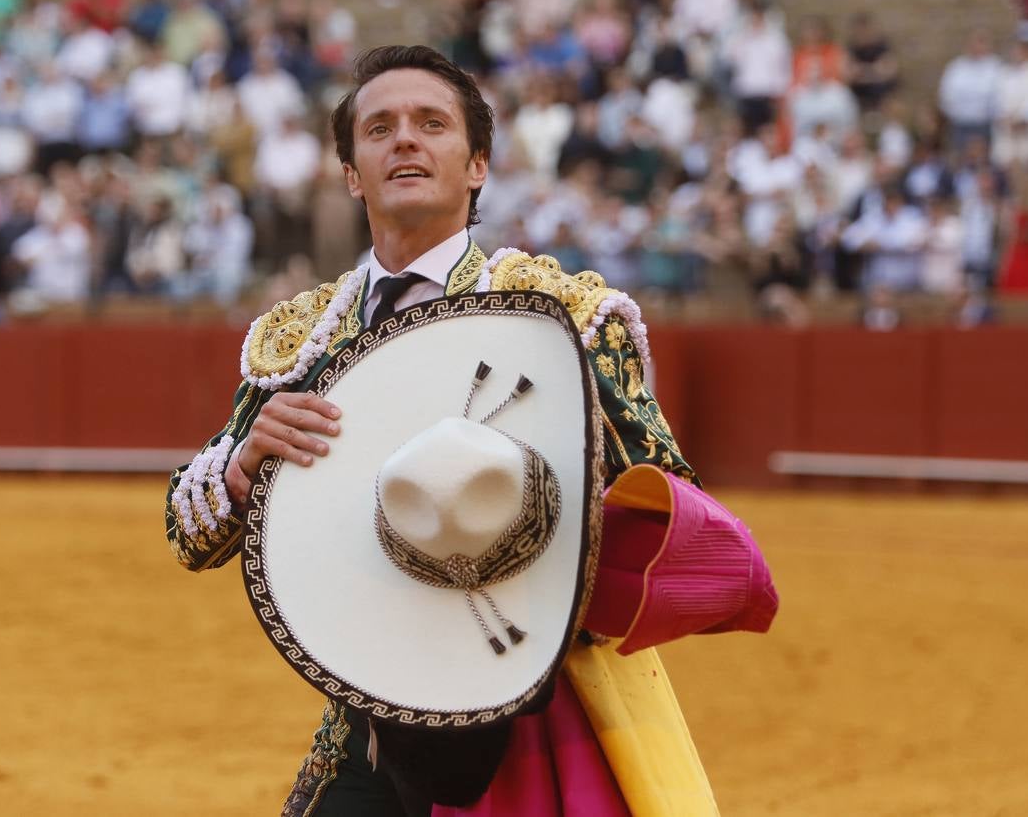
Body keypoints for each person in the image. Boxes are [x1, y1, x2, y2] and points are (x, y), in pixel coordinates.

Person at [164, 45, 776, 815]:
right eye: (379, 129)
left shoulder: (560, 314)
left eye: (432, 124)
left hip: (526, 714)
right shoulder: (305, 334)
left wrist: (535, 517)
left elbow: (669, 498)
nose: (405, 141)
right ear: (353, 173)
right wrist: (242, 464)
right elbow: (191, 540)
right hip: (366, 711)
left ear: (477, 163)